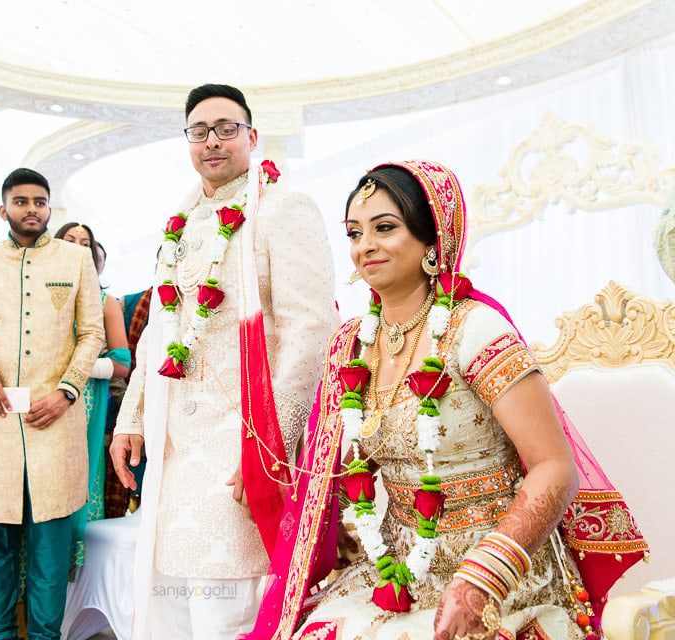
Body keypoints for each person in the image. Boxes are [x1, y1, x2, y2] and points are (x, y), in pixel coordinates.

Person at [246, 160, 648, 639]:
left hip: (503, 575)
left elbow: (554, 469)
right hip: (395, 575)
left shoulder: (474, 331)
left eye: (385, 228)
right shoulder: (352, 345)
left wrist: (485, 577)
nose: (365, 246)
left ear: (431, 239)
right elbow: (342, 470)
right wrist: (268, 466)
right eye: (354, 233)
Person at [110, 84, 337, 639]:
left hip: (243, 437)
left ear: (252, 136)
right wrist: (132, 417)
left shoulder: (284, 207)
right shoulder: (180, 223)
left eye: (226, 128)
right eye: (199, 131)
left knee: (229, 602)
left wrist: (269, 445)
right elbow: (159, 335)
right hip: (175, 445)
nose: (212, 141)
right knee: (172, 598)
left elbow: (310, 330)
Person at [0, 168, 105, 640]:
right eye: (21, 201)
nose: (31, 209)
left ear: (49, 208)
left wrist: (68, 391)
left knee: (50, 547)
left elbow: (92, 333)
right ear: (3, 209)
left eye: (39, 201)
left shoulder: (75, 260)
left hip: (53, 419)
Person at [55, 222, 131, 568]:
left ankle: (73, 584)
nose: (77, 246)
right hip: (39, 396)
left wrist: (80, 366)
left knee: (76, 479)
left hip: (84, 400)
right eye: (69, 240)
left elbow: (122, 362)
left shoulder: (105, 302)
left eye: (85, 243)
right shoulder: (35, 294)